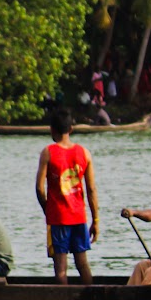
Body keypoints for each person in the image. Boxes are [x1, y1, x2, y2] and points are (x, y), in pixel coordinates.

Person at [35, 110, 99, 285]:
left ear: (52, 130)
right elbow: (91, 189)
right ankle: (91, 297)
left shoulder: (48, 152)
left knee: (61, 268)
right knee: (82, 263)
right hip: (79, 216)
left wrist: (48, 209)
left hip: (58, 217)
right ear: (71, 129)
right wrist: (95, 220)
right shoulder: (84, 153)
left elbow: (39, 188)